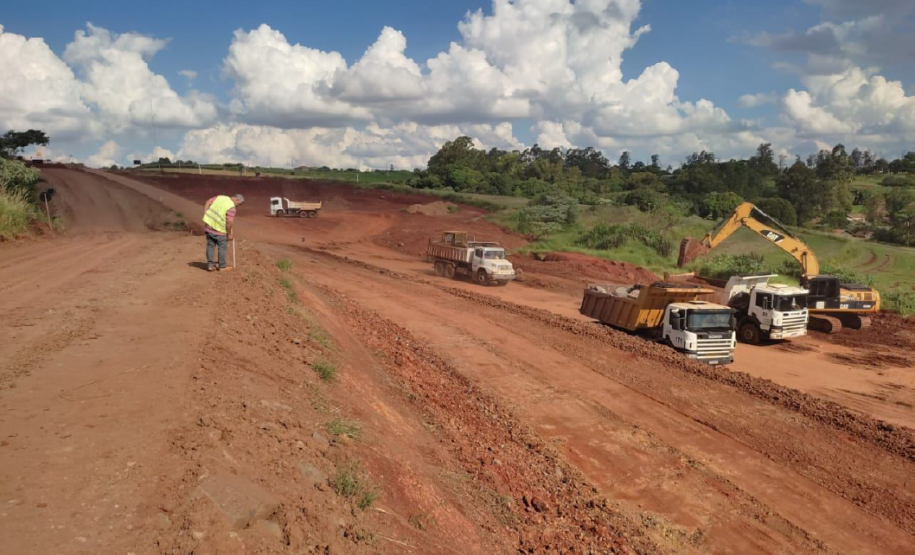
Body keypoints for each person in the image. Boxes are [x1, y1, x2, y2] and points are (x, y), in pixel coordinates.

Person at [202, 193, 245, 271]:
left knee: (210, 246)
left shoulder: (220, 197)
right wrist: (229, 234)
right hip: (220, 231)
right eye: (239, 204)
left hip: (209, 227)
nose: (238, 206)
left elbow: (207, 202)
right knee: (222, 247)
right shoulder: (231, 207)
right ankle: (222, 266)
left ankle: (210, 265)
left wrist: (205, 215)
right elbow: (229, 222)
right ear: (237, 199)